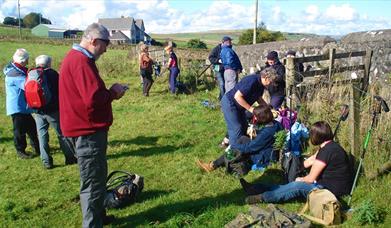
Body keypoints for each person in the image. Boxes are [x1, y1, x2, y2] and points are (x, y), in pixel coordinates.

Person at [59, 23, 127, 227]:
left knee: (96, 176)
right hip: (86, 132)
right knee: (92, 182)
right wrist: (114, 92)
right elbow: (94, 98)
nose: (106, 50)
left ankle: (99, 216)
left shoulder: (77, 58)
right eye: (105, 45)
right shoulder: (81, 62)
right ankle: (92, 224)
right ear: (94, 41)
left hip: (81, 127)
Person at [241, 121, 353, 204]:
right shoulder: (329, 146)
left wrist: (300, 179)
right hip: (332, 185)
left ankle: (262, 197)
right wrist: (297, 167)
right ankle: (255, 188)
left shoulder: (326, 151)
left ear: (316, 136)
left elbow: (310, 178)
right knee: (288, 185)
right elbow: (312, 160)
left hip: (331, 191)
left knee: (296, 186)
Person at [197, 104, 283, 173]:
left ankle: (213, 166)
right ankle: (217, 163)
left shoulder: (266, 133)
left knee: (238, 147)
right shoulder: (276, 124)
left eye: (256, 116)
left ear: (262, 117)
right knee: (243, 139)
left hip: (263, 159)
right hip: (268, 151)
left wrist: (234, 145)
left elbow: (250, 148)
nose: (255, 118)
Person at [33, 55, 77, 169]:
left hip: (37, 110)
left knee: (42, 136)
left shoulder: (32, 73)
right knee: (61, 134)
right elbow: (61, 90)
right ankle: (70, 158)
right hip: (53, 110)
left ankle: (46, 162)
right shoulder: (53, 74)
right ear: (49, 63)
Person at [219, 68, 279, 149]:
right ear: (266, 78)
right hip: (230, 103)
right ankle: (233, 152)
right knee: (237, 128)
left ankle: (236, 146)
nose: (271, 84)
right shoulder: (252, 81)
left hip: (239, 106)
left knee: (244, 126)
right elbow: (237, 96)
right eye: (271, 82)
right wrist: (251, 109)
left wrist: (268, 108)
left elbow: (258, 98)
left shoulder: (261, 85)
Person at [3, 48, 40, 159]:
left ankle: (37, 147)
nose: (28, 61)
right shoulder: (15, 74)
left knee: (32, 127)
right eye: (27, 59)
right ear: (23, 61)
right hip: (17, 107)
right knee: (19, 130)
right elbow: (27, 85)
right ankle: (20, 150)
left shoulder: (16, 70)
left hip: (22, 106)